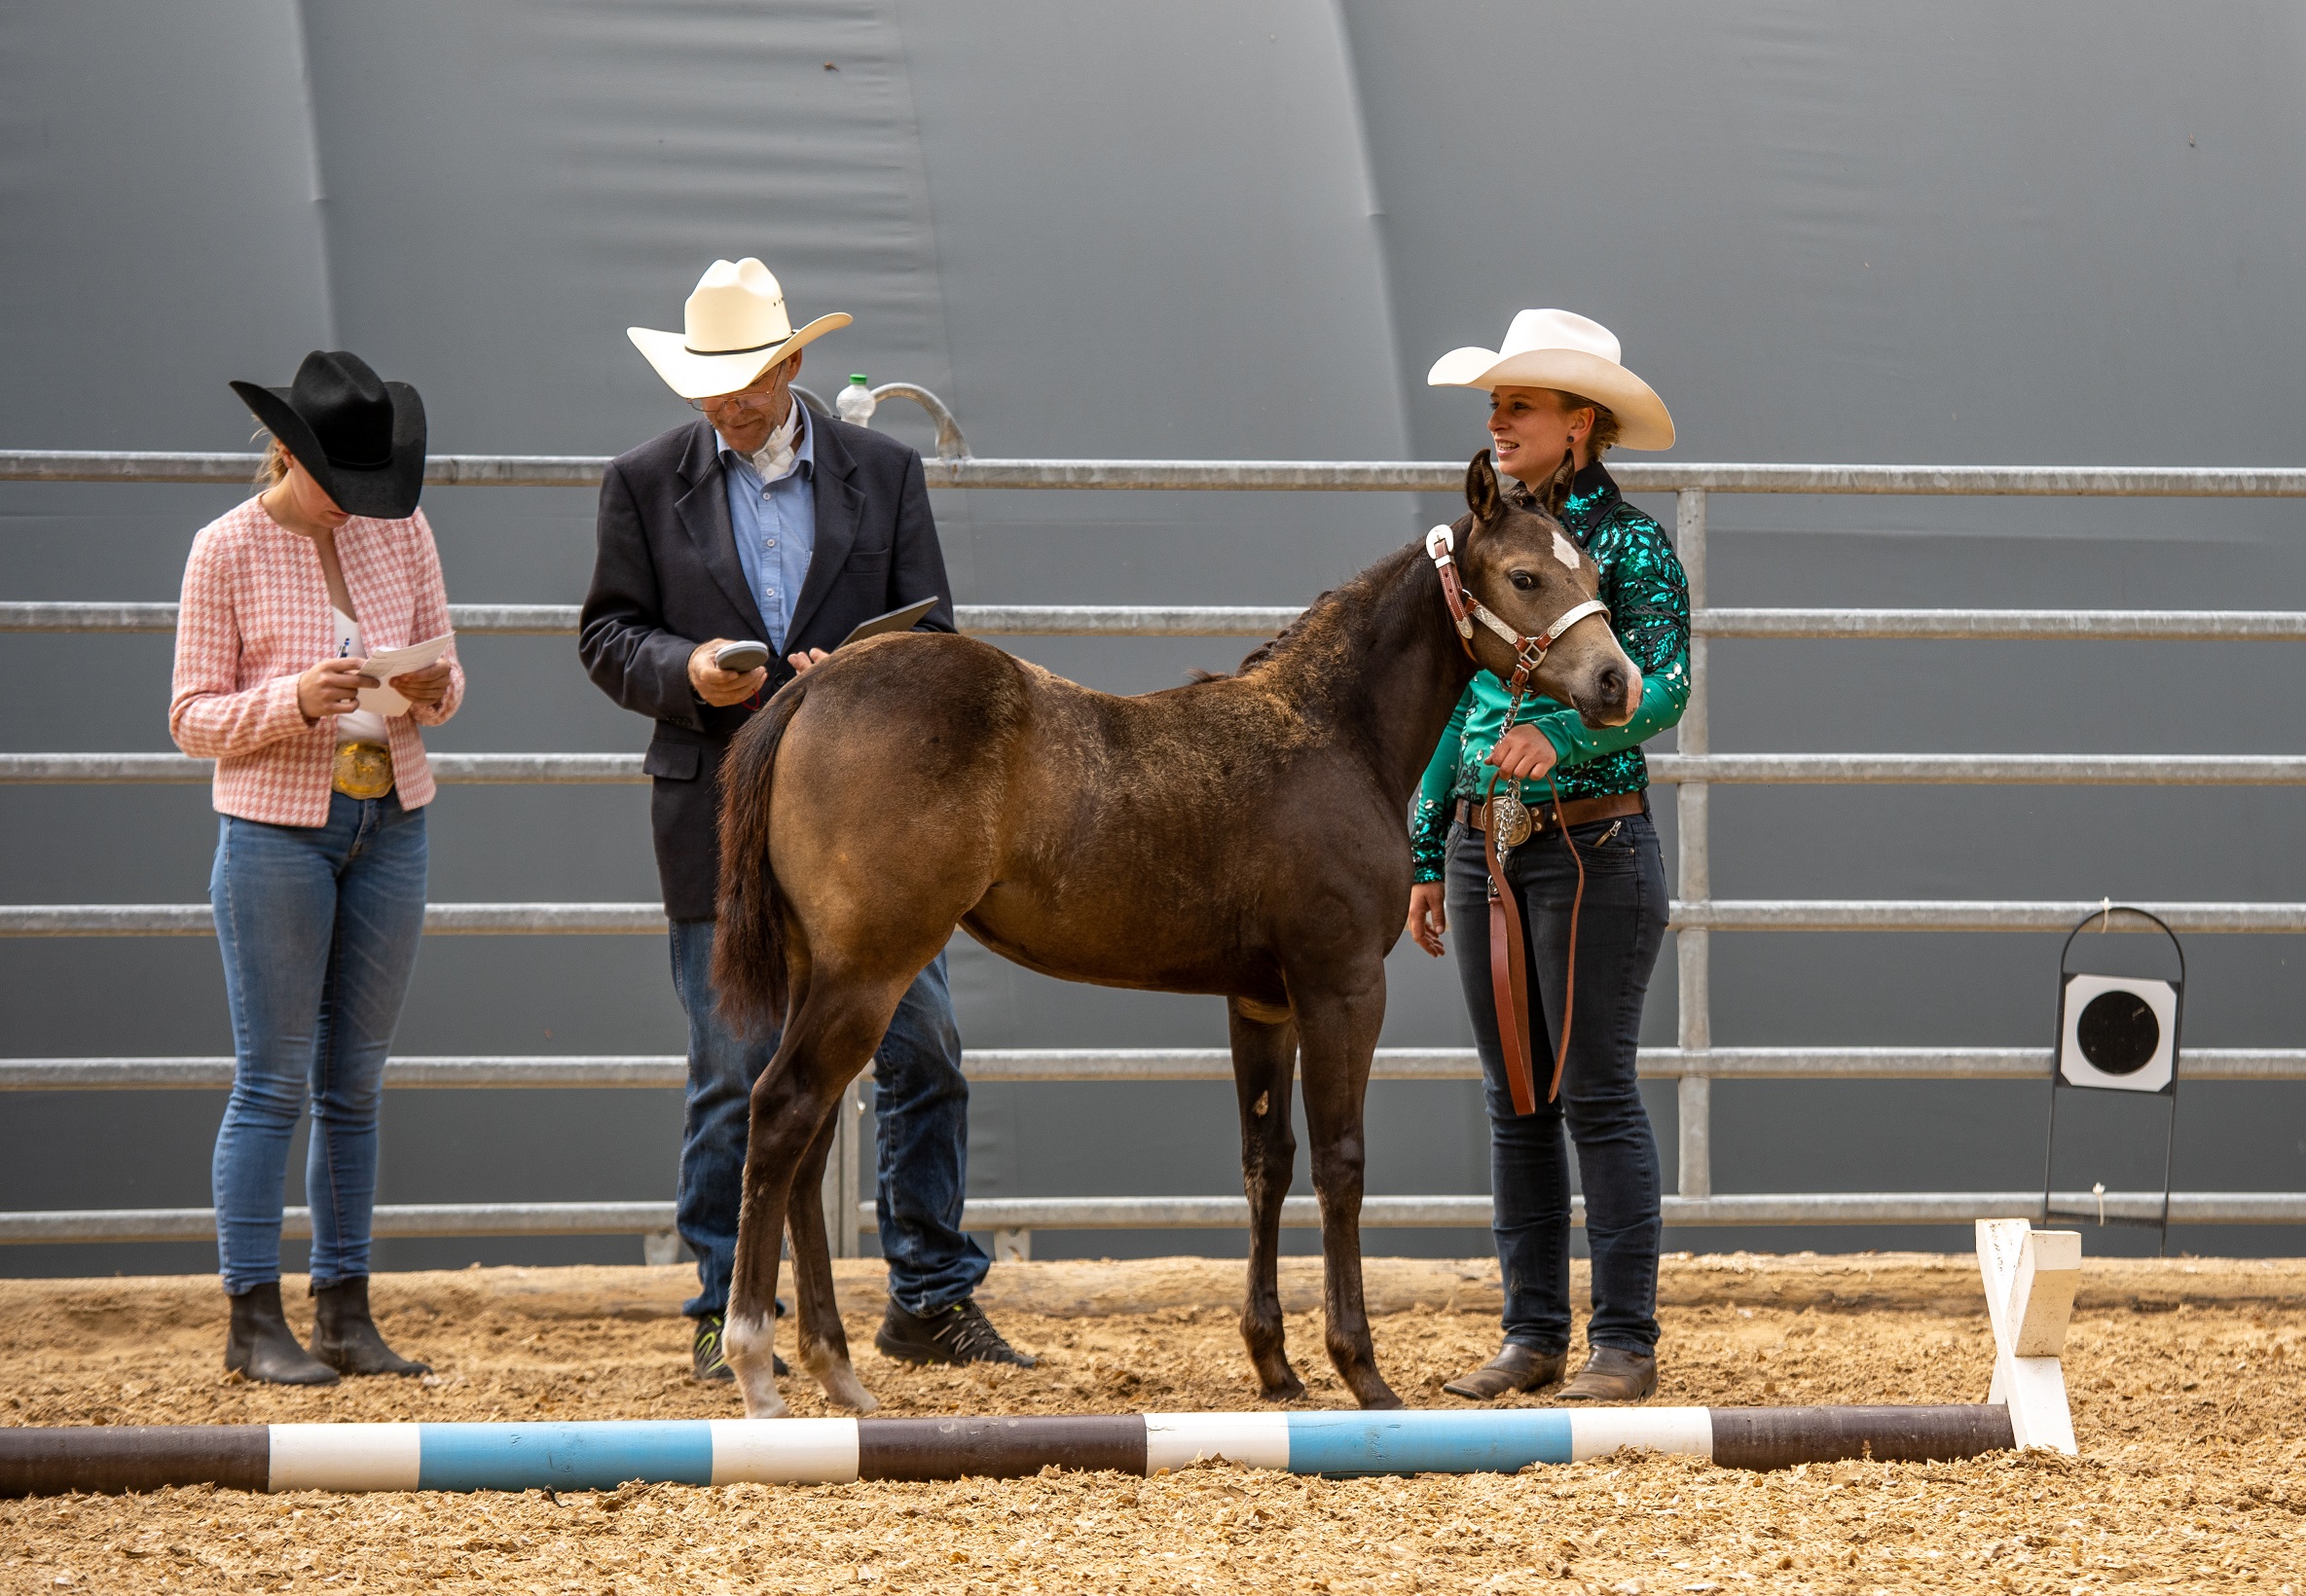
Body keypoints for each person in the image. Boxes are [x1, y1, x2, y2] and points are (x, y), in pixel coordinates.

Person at [579, 257, 1032, 1380]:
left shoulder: (886, 473)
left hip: (874, 828)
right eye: (705, 386)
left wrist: (863, 678)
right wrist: (691, 669)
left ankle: (928, 1292)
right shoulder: (641, 480)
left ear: (789, 366)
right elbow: (606, 635)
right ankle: (724, 1300)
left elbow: (936, 641)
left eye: (740, 383)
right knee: (731, 1062)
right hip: (720, 813)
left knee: (923, 1048)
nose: (721, 405)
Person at [1407, 309, 1691, 1402]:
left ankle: (1622, 1342)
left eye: (1519, 404)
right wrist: (1426, 848)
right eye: (1496, 403)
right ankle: (1530, 1334)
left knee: (1594, 1091)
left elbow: (1663, 685)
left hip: (1591, 839)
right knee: (1514, 1097)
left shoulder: (1630, 544)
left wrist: (1565, 736)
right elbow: (1459, 703)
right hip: (1485, 844)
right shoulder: (1488, 543)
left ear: (1579, 422)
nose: (1498, 419)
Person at [171, 349, 462, 1385]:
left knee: (354, 1083)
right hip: (275, 830)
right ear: (287, 454)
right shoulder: (225, 549)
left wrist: (428, 689)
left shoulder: (402, 528)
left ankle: (344, 1309)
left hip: (392, 817)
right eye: (339, 482)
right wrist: (294, 698)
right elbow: (190, 717)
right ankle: (253, 1317)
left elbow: (449, 676)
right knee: (271, 1079)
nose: (356, 502)